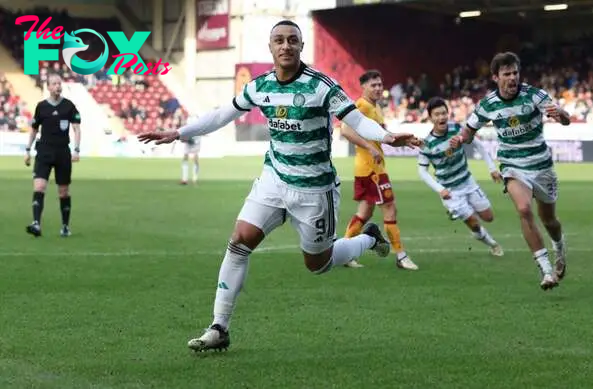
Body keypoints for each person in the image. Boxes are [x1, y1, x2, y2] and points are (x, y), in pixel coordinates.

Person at [138, 20, 422, 352]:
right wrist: (179, 133)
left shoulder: (322, 86)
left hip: (315, 190)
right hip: (274, 180)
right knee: (239, 241)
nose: (285, 45)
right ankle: (219, 327)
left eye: (292, 40)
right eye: (278, 40)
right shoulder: (260, 86)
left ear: (301, 46)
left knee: (318, 264)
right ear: (270, 47)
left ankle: (367, 238)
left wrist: (387, 136)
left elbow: (354, 120)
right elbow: (222, 114)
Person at [450, 52, 570, 290]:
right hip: (512, 166)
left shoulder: (534, 95)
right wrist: (458, 139)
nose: (512, 77)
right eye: (507, 74)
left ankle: (559, 246)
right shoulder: (487, 104)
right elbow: (468, 131)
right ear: (496, 77)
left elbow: (565, 119)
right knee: (524, 209)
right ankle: (546, 270)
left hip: (541, 165)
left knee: (549, 220)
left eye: (515, 72)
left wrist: (562, 115)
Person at [340, 70, 418, 270]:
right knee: (389, 208)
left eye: (379, 85)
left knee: (364, 212)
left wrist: (405, 140)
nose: (378, 88)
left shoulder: (376, 108)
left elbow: (385, 136)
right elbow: (346, 130)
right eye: (373, 85)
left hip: (371, 168)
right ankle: (401, 256)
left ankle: (344, 253)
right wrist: (369, 147)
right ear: (363, 87)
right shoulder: (361, 106)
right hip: (371, 170)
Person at [419, 97, 503, 256]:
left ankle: (463, 214)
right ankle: (493, 244)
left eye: (444, 113)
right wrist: (440, 189)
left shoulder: (456, 129)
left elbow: (477, 144)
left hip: (468, 182)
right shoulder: (427, 143)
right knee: (474, 222)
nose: (441, 117)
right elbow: (422, 171)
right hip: (450, 191)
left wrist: (492, 168)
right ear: (430, 118)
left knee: (489, 217)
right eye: (437, 114)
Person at [24, 74, 81, 237]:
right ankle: (36, 224)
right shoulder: (41, 106)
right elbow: (34, 129)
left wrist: (77, 150)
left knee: (63, 191)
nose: (57, 86)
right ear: (48, 87)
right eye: (54, 83)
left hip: (62, 152)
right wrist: (27, 150)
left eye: (59, 83)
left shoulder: (69, 106)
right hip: (44, 151)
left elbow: (77, 128)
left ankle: (65, 226)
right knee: (39, 186)